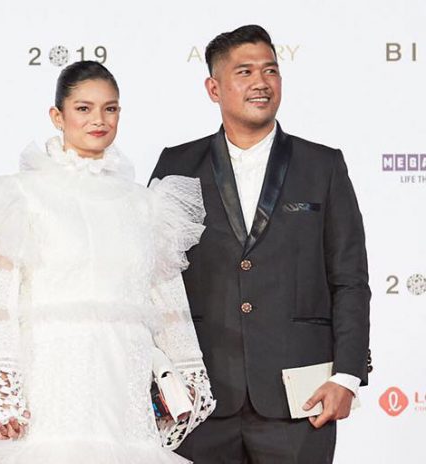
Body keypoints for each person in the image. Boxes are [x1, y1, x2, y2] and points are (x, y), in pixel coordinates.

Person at [0, 61, 215, 464]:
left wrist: (187, 370)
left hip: (126, 384)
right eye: (83, 108)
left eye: (110, 109)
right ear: (57, 116)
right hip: (53, 380)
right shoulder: (21, 194)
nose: (98, 119)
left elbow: (168, 301)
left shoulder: (144, 203)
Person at [150, 25, 371, 463]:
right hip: (200, 396)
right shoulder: (177, 164)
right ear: (214, 88)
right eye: (245, 71)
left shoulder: (323, 165)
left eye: (271, 70)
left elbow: (350, 278)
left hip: (301, 399)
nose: (261, 82)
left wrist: (347, 375)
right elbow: (154, 278)